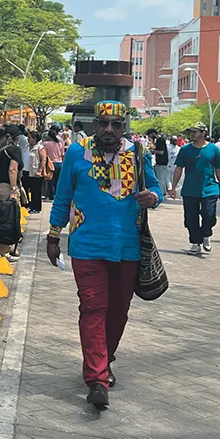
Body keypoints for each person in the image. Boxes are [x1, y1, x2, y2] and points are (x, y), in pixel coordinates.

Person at [46, 100, 162, 409]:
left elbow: (155, 186)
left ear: (124, 127)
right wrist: (54, 233)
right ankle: (96, 378)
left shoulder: (138, 154)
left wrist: (154, 196)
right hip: (86, 246)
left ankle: (105, 359)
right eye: (103, 123)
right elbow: (63, 195)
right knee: (93, 308)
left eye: (116, 124)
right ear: (94, 124)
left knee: (118, 311)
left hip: (127, 247)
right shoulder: (76, 152)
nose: (108, 129)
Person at [170, 123, 220, 255]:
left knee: (209, 214)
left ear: (203, 133)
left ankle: (206, 234)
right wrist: (173, 187)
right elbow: (178, 169)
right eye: (191, 132)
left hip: (210, 189)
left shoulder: (213, 149)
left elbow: (219, 169)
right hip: (190, 189)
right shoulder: (185, 150)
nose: (192, 134)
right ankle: (195, 243)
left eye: (195, 132)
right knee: (190, 218)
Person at [0, 129, 22, 261]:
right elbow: (12, 169)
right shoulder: (15, 150)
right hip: (6, 187)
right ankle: (4, 253)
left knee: (1, 218)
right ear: (17, 138)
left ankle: (0, 250)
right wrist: (14, 189)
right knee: (8, 221)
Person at [23, 131, 46, 213]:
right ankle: (27, 205)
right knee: (25, 189)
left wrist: (40, 170)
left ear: (35, 139)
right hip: (25, 171)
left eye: (30, 137)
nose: (28, 139)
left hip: (35, 172)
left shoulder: (40, 148)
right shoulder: (26, 146)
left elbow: (43, 160)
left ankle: (36, 207)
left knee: (35, 191)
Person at [42, 128, 66, 200]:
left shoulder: (46, 144)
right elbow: (63, 154)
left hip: (50, 164)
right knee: (58, 181)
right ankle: (57, 195)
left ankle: (51, 196)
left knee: (50, 181)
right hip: (59, 163)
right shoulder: (60, 144)